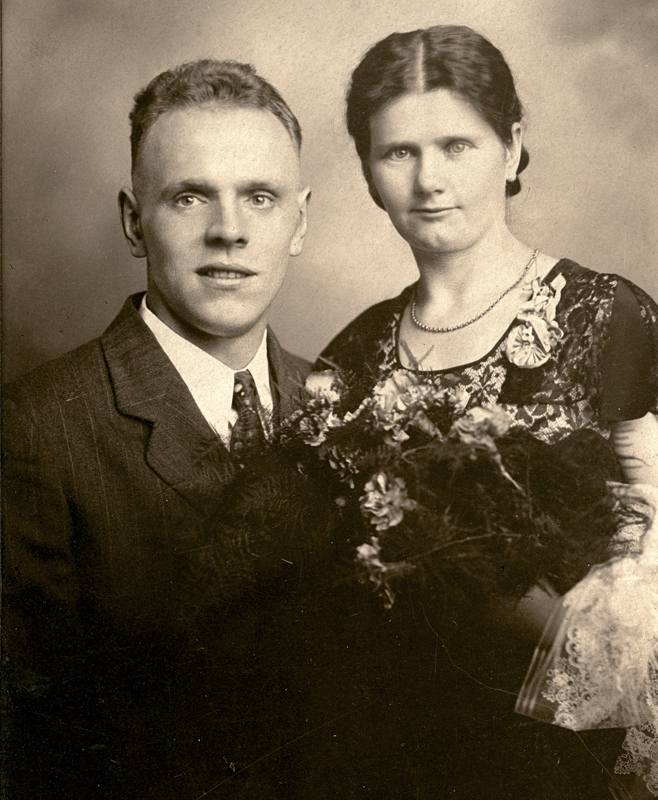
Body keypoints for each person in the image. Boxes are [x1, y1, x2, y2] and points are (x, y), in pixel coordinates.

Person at [311, 24, 658, 799]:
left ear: (512, 147)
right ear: (368, 173)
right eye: (398, 153)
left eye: (456, 146)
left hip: (559, 765)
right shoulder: (353, 354)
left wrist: (544, 620)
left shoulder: (604, 318)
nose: (429, 180)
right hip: (388, 758)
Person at [2, 59, 312, 798]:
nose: (229, 232)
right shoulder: (34, 430)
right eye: (189, 197)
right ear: (134, 222)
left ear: (300, 221)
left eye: (260, 197)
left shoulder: (347, 403)